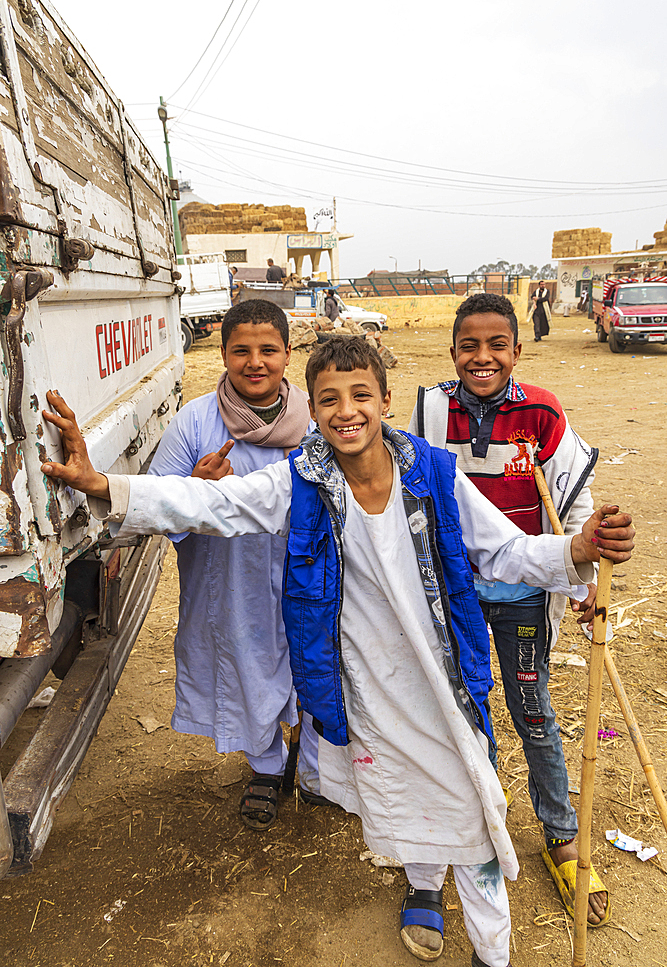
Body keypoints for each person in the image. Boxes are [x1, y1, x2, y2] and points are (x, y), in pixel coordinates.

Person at [41, 338, 634, 967]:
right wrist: (103, 484)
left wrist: (574, 550)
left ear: (384, 401)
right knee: (406, 796)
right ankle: (424, 888)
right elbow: (214, 504)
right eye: (329, 399)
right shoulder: (300, 482)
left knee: (475, 808)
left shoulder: (434, 474)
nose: (346, 411)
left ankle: (493, 952)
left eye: (360, 396)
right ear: (313, 408)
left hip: (443, 681)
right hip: (364, 689)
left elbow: (504, 552)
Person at [409, 292, 610, 928]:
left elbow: (574, 504)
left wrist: (584, 581)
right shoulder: (431, 408)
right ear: (453, 353)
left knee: (533, 711)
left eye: (497, 345)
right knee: (462, 714)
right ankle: (478, 827)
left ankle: (559, 832)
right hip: (456, 594)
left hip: (522, 590)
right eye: (470, 345)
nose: (483, 356)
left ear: (517, 352)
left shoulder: (543, 413)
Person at [149, 299, 321, 829]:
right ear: (222, 353)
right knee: (246, 665)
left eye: (268, 350)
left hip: (304, 571)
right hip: (230, 580)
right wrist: (194, 488)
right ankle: (268, 767)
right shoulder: (196, 422)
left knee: (317, 661)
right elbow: (156, 504)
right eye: (241, 350)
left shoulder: (317, 420)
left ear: (288, 354)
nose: (255, 362)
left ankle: (316, 770)